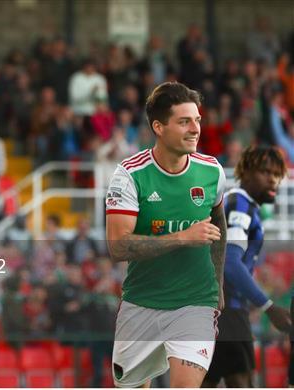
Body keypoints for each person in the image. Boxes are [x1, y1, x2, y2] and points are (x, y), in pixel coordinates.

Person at [106, 81, 227, 388]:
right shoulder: (129, 175)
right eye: (184, 121)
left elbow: (219, 226)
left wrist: (219, 281)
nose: (195, 128)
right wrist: (182, 238)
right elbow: (118, 246)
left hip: (195, 302)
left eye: (197, 120)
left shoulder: (212, 171)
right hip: (142, 302)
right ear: (158, 127)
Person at [203, 146, 291, 387]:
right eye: (265, 172)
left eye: (277, 174)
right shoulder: (241, 205)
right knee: (241, 382)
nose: (273, 179)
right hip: (227, 312)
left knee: (207, 381)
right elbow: (230, 263)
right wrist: (268, 306)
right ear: (247, 173)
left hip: (216, 310)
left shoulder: (238, 204)